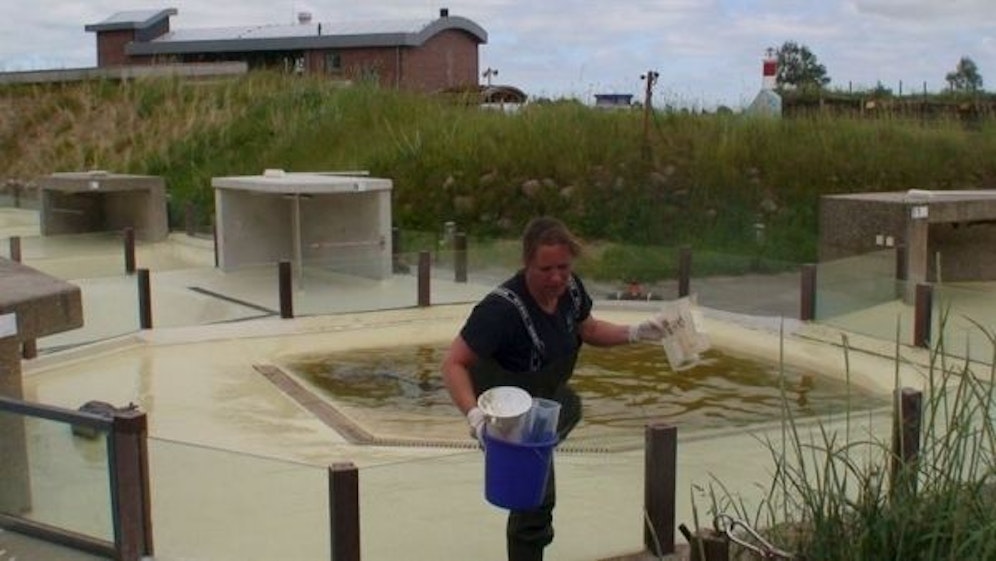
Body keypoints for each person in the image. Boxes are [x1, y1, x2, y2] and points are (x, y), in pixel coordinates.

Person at [441, 216, 666, 561]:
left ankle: (530, 475)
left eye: (563, 267)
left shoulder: (571, 291)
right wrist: (475, 417)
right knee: (535, 502)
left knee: (568, 407)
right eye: (546, 269)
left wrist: (636, 332)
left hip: (546, 401)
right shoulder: (499, 310)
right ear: (526, 263)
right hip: (505, 409)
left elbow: (590, 330)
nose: (557, 278)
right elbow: (453, 364)